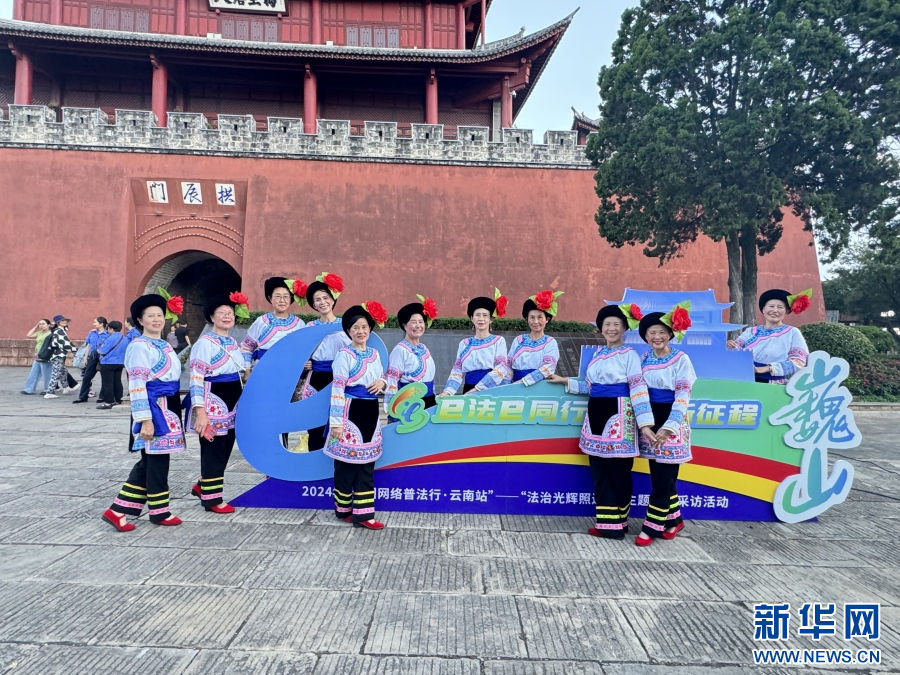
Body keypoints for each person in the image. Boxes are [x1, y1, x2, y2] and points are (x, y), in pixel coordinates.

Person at [549, 305, 654, 539]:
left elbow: (638, 387)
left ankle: (620, 521)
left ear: (624, 328)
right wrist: (565, 381)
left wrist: (645, 423)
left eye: (616, 324)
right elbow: (589, 386)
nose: (611, 328)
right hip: (595, 413)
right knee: (598, 469)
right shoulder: (597, 354)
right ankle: (608, 524)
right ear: (600, 328)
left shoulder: (629, 355)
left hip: (619, 414)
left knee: (619, 470)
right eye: (607, 324)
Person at [103, 293, 186, 531]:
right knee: (154, 460)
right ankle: (157, 511)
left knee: (154, 460)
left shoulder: (164, 345)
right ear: (140, 320)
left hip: (168, 405)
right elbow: (137, 384)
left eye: (160, 315)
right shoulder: (139, 346)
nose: (157, 319)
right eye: (151, 316)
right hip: (153, 407)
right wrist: (145, 420)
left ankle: (122, 510)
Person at [634, 307, 696, 546]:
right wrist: (645, 423)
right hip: (650, 419)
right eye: (652, 332)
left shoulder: (681, 359)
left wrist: (669, 427)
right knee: (661, 477)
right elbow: (638, 390)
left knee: (664, 477)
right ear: (645, 336)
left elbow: (683, 393)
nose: (657, 336)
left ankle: (651, 527)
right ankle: (675, 520)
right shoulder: (644, 358)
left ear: (670, 334)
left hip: (672, 421)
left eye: (662, 331)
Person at [327, 302, 388, 530]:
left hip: (370, 411)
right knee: (346, 463)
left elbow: (383, 378)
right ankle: (343, 509)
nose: (360, 331)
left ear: (370, 329)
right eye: (355, 328)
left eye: (364, 327)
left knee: (366, 463)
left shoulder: (374, 354)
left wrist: (382, 382)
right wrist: (336, 423)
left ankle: (363, 514)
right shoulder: (344, 355)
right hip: (350, 411)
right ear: (348, 332)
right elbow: (337, 389)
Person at [185, 294, 247, 514]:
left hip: (233, 399)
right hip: (213, 400)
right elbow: (196, 377)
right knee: (213, 449)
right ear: (212, 317)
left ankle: (203, 485)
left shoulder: (232, 342)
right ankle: (212, 500)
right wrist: (200, 411)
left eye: (230, 313)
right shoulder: (204, 343)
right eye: (222, 313)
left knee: (226, 446)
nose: (227, 316)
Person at [303, 273, 351, 451]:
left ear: (333, 300)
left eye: (325, 297)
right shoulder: (309, 328)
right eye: (318, 299)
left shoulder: (345, 326)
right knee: (315, 426)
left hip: (341, 380)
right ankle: (314, 462)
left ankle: (335, 462)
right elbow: (301, 354)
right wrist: (305, 364)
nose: (322, 302)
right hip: (316, 380)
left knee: (339, 424)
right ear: (313, 305)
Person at [726, 288, 811, 384]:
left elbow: (798, 361)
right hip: (745, 380)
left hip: (774, 384)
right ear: (763, 309)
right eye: (771, 306)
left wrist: (766, 368)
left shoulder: (792, 332)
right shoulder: (750, 331)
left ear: (787, 311)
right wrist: (730, 346)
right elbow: (737, 349)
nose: (775, 310)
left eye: (780, 307)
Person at [440, 290, 509, 396]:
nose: (481, 319)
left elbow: (502, 367)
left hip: (491, 389)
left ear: (491, 319)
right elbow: (457, 370)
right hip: (469, 388)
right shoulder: (464, 343)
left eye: (485, 315)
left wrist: (478, 388)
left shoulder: (498, 341)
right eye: (477, 315)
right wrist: (448, 391)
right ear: (472, 318)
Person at [384, 297, 439, 421]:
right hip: (409, 405)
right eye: (413, 322)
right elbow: (392, 380)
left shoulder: (424, 348)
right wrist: (393, 411)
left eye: (421, 322)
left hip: (429, 403)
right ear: (405, 326)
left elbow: (431, 379)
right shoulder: (400, 350)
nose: (418, 325)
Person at [240, 276, 306, 368]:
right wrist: (247, 368)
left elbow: (304, 349)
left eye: (286, 297)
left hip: (290, 370)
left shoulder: (299, 324)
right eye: (278, 296)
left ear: (290, 299)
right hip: (263, 369)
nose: (282, 300)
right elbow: (247, 346)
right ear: (270, 298)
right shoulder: (261, 322)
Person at [506, 290, 562, 385]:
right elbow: (508, 365)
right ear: (527, 319)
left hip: (539, 387)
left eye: (540, 317)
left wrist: (523, 382)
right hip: (515, 387)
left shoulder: (550, 342)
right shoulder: (519, 340)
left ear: (547, 319)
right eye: (532, 317)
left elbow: (548, 368)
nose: (535, 321)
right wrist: (507, 384)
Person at [74, 316, 108, 403]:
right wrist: (85, 358)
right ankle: (83, 397)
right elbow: (88, 346)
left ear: (101, 324)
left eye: (95, 322)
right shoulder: (92, 333)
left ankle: (102, 396)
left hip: (103, 358)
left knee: (104, 378)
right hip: (92, 357)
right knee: (86, 377)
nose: (94, 324)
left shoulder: (107, 334)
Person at [96, 321, 129, 409]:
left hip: (108, 362)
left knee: (108, 383)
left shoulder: (110, 338)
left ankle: (108, 402)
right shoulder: (125, 338)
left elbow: (102, 351)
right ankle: (118, 400)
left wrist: (98, 350)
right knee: (117, 382)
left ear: (111, 329)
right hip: (120, 362)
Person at [45, 315, 77, 399]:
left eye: (65, 320)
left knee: (63, 372)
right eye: (62, 320)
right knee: (55, 373)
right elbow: (66, 344)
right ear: (57, 322)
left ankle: (66, 388)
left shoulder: (58, 331)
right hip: (58, 355)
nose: (65, 321)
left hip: (57, 355)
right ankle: (49, 392)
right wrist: (76, 351)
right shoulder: (59, 331)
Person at [22, 319, 52, 396]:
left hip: (46, 354)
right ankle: (29, 389)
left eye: (43, 324)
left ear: (49, 325)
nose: (41, 325)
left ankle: (48, 389)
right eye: (40, 324)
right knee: (34, 372)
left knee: (46, 373)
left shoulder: (51, 333)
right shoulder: (39, 333)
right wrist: (36, 327)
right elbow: (29, 335)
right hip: (38, 354)